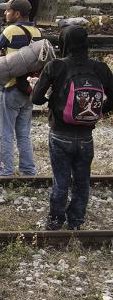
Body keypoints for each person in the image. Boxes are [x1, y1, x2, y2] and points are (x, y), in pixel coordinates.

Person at [31, 25, 113, 230]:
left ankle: (55, 220)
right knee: (82, 180)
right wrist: (98, 111)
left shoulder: (55, 66)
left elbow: (36, 98)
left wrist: (51, 98)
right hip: (86, 136)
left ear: (64, 42)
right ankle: (76, 221)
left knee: (61, 180)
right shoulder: (100, 68)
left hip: (60, 133)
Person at [0, 0, 41, 177]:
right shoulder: (37, 32)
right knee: (24, 132)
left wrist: (4, 57)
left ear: (17, 14)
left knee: (6, 131)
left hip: (11, 87)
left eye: (8, 10)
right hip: (29, 88)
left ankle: (6, 171)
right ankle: (28, 169)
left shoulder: (10, 30)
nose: (5, 13)